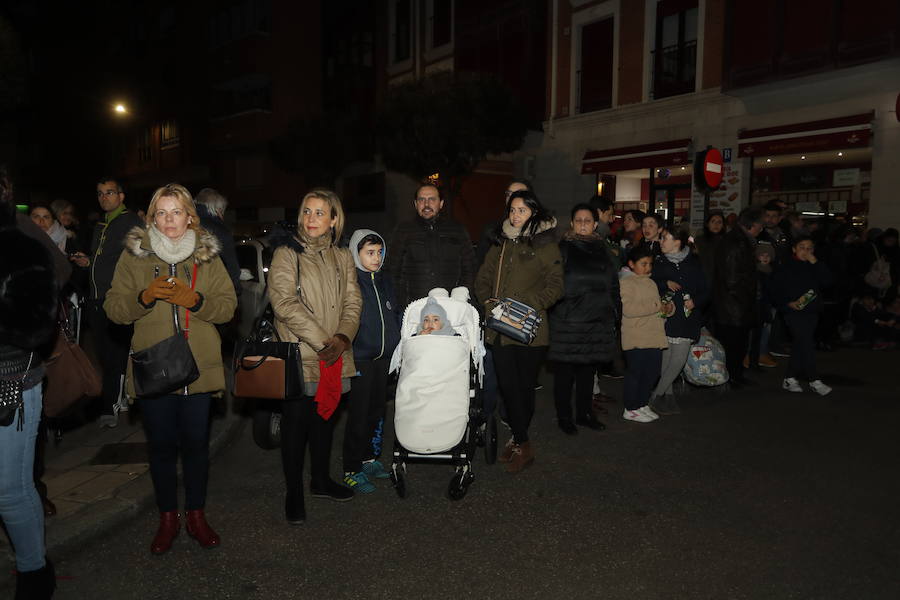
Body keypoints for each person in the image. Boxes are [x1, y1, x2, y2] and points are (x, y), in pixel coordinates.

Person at [104, 183, 237, 554]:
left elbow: (227, 308)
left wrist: (195, 300)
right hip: (155, 367)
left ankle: (196, 515)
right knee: (161, 447)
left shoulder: (207, 256)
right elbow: (114, 310)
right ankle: (167, 519)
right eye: (161, 213)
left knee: (196, 446)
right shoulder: (135, 257)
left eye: (176, 211)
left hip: (198, 367)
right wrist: (144, 298)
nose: (169, 220)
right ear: (151, 217)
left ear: (190, 216)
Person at [268, 189, 362, 523]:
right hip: (301, 353)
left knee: (325, 420)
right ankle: (294, 492)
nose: (311, 219)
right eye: (307, 211)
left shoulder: (343, 256)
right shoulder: (286, 253)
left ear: (334, 219)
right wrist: (324, 341)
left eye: (320, 213)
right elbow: (283, 304)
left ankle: (320, 480)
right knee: (295, 426)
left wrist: (342, 337)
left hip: (335, 354)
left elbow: (353, 301)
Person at [0, 163, 59, 598]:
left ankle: (34, 574)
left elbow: (39, 327)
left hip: (11, 384)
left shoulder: (22, 245)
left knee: (10, 490)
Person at [475, 189, 563, 473]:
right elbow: (483, 278)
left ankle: (519, 440)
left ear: (534, 212)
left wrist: (528, 305)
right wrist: (489, 304)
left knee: (524, 388)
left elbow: (556, 285)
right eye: (512, 210)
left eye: (522, 210)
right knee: (508, 386)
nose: (515, 215)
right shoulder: (500, 243)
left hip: (530, 330)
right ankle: (523, 441)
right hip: (500, 328)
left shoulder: (546, 245)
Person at [76, 177, 143, 428]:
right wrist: (89, 262)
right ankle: (121, 397)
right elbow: (102, 261)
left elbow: (139, 259)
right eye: (100, 193)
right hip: (96, 298)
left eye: (109, 193)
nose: (104, 197)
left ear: (121, 196)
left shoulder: (130, 222)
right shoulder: (100, 225)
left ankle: (110, 406)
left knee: (115, 353)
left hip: (117, 298)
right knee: (105, 354)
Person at [547, 203, 619, 435]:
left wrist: (614, 311)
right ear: (572, 223)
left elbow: (613, 284)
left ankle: (585, 413)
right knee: (565, 376)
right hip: (568, 323)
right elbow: (553, 284)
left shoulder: (603, 249)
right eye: (578, 220)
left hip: (596, 321)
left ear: (596, 224)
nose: (583, 225)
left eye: (588, 221)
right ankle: (564, 416)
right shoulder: (563, 248)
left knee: (588, 374)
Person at [342, 229, 401, 494]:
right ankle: (351, 468)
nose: (376, 258)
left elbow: (395, 313)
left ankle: (369, 459)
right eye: (369, 253)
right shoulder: (351, 282)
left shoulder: (385, 281)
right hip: (361, 359)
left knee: (378, 410)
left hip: (384, 359)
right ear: (356, 253)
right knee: (359, 414)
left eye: (379, 252)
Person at [388, 183, 476, 310]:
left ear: (441, 203)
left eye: (432, 199)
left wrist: (460, 297)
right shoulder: (403, 231)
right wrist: (402, 303)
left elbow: (469, 268)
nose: (426, 204)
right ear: (415, 204)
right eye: (421, 200)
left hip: (451, 307)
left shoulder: (457, 230)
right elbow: (392, 270)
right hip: (415, 307)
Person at [649, 228, 708, 415]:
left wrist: (695, 302)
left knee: (678, 360)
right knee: (666, 360)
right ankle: (667, 398)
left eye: (664, 238)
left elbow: (707, 290)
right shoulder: (659, 262)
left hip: (687, 318)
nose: (660, 241)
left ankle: (656, 395)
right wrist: (664, 283)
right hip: (666, 317)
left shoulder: (694, 262)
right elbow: (648, 283)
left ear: (678, 241)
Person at [769, 236, 833, 395]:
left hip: (811, 311)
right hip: (793, 311)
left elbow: (828, 282)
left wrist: (816, 263)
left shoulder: (815, 265)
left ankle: (789, 378)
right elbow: (775, 289)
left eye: (809, 248)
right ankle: (814, 380)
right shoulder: (785, 266)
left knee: (800, 343)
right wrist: (787, 303)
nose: (806, 251)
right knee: (806, 343)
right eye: (802, 247)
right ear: (794, 249)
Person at [619, 246, 673, 423]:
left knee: (652, 373)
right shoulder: (626, 283)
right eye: (643, 264)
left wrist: (667, 309)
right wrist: (657, 307)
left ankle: (641, 404)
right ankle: (631, 407)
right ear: (631, 264)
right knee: (636, 373)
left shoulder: (650, 283)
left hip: (653, 336)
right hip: (636, 337)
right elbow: (629, 310)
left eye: (650, 264)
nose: (648, 267)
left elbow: (656, 308)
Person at [712, 207, 763, 388]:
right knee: (733, 345)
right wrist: (746, 299)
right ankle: (732, 377)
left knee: (737, 344)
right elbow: (731, 278)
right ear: (752, 225)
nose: (761, 229)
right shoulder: (736, 243)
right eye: (760, 225)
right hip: (733, 305)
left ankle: (735, 375)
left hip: (735, 304)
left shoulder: (740, 241)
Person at [194, 188, 241, 298]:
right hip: (215, 293)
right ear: (218, 209)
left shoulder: (186, 223)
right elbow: (232, 268)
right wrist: (236, 290)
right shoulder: (219, 230)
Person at [476, 179, 533, 267]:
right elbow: (480, 265)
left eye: (519, 194)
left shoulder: (540, 232)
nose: (512, 198)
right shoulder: (492, 230)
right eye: (509, 194)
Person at [693, 210, 725, 287]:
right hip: (702, 281)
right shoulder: (699, 241)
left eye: (719, 222)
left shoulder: (727, 241)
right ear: (707, 224)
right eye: (713, 221)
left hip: (721, 283)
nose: (716, 224)